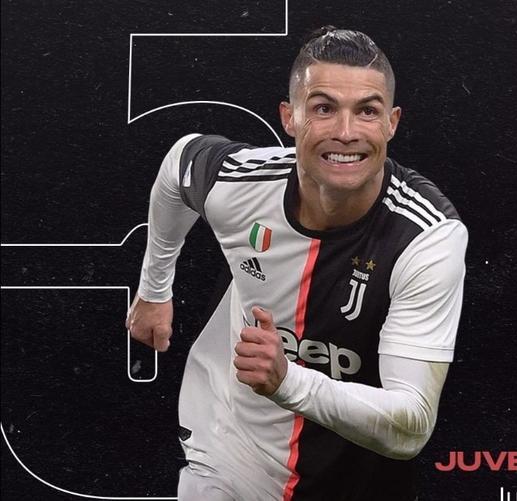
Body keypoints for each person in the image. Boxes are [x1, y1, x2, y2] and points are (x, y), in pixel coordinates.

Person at [126, 26, 467, 501]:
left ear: (392, 123)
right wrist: (154, 289)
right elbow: (178, 163)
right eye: (323, 108)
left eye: (366, 111)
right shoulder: (241, 184)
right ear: (290, 117)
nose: (345, 132)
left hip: (354, 482)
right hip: (228, 451)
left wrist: (287, 380)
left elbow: (409, 427)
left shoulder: (426, 237)